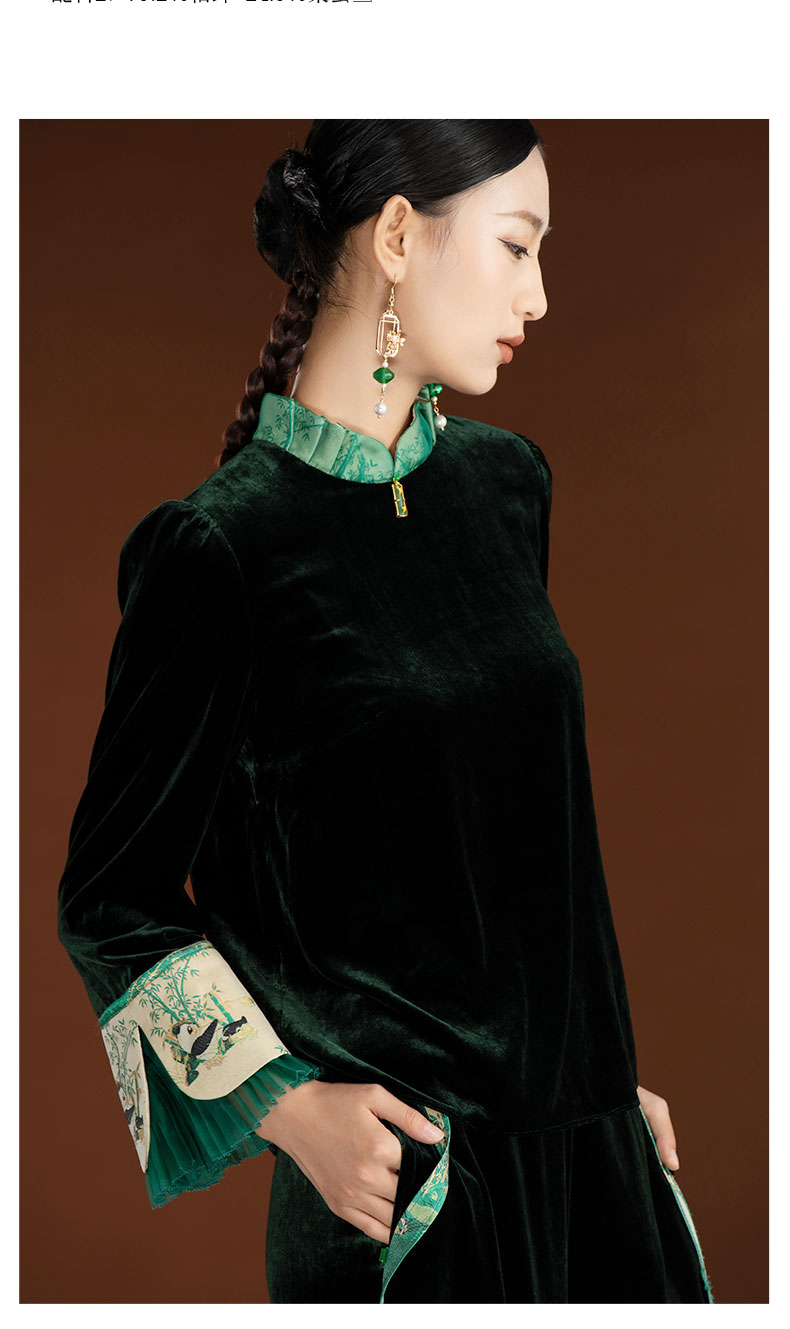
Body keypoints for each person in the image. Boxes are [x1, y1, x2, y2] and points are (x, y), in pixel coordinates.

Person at [56, 119, 714, 1304]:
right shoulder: (219, 550)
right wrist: (286, 1106)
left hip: (595, 1165)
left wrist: (593, 1078)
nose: (540, 295)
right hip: (413, 1200)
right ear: (400, 237)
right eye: (516, 246)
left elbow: (502, 841)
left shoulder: (508, 487)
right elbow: (112, 898)